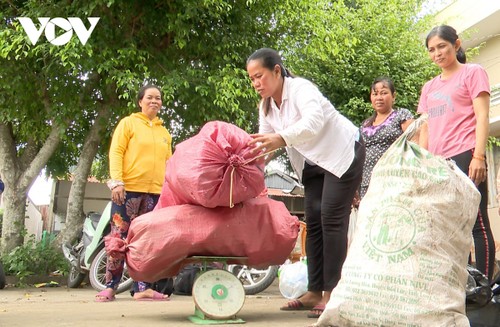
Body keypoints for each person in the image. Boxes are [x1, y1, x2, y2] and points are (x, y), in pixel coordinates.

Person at [246, 48, 365, 319]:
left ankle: (332, 293)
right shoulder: (266, 106)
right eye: (252, 79)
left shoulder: (301, 89)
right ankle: (314, 291)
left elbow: (313, 122)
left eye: (260, 76)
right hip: (312, 161)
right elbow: (265, 143)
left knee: (331, 219)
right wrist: (248, 165)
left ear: (277, 70)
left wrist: (280, 139)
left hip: (343, 152)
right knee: (313, 223)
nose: (256, 84)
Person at [417, 25, 496, 281]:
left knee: (476, 222)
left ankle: (483, 289)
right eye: (432, 49)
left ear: (456, 44)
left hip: (466, 153)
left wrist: (479, 156)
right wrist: (422, 163)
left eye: (442, 46)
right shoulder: (428, 87)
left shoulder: (472, 73)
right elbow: (425, 128)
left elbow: (483, 116)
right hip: (438, 163)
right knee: (447, 226)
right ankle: (460, 286)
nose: (437, 53)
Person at [95, 84, 173, 302]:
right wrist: (117, 182)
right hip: (127, 190)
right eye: (149, 97)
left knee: (145, 241)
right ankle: (111, 286)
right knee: (118, 238)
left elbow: (169, 163)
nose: (154, 101)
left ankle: (142, 288)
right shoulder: (128, 123)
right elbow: (116, 151)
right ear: (140, 101)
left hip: (155, 194)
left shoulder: (164, 132)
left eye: (158, 98)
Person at [359, 77, 414, 198]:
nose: (379, 97)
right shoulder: (365, 124)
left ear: (393, 96)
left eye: (384, 93)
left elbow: (415, 142)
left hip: (394, 179)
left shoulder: (402, 115)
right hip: (368, 182)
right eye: (375, 94)